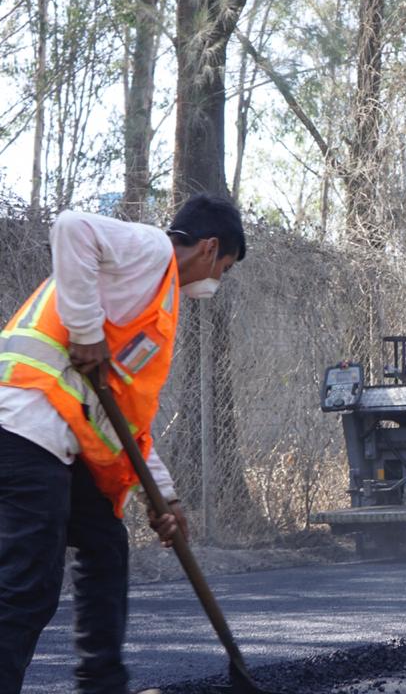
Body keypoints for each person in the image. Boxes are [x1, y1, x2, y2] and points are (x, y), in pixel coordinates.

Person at [0, 194, 247, 693]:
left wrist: (165, 496)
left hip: (55, 435)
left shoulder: (155, 300)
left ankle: (103, 683)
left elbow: (126, 422)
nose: (219, 278)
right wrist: (86, 331)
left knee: (105, 544)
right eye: (224, 266)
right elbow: (72, 226)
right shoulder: (151, 250)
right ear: (210, 247)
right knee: (27, 586)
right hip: (22, 424)